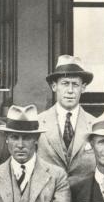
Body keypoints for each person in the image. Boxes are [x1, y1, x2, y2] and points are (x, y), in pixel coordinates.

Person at [37, 55, 97, 184]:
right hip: (48, 198)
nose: (70, 90)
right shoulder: (38, 122)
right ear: (54, 86)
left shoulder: (95, 125)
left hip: (84, 199)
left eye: (75, 84)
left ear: (83, 87)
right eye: (65, 84)